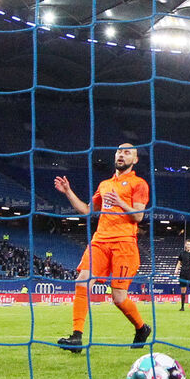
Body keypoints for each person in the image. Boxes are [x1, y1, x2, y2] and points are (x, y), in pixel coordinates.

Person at [53, 143, 151, 353]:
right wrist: (68, 192)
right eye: (119, 151)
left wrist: (120, 203)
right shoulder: (105, 184)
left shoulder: (139, 183)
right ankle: (76, 337)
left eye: (127, 153)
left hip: (124, 244)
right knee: (81, 282)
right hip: (99, 241)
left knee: (118, 298)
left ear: (135, 160)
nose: (121, 155)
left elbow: (138, 216)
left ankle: (142, 328)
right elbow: (88, 210)